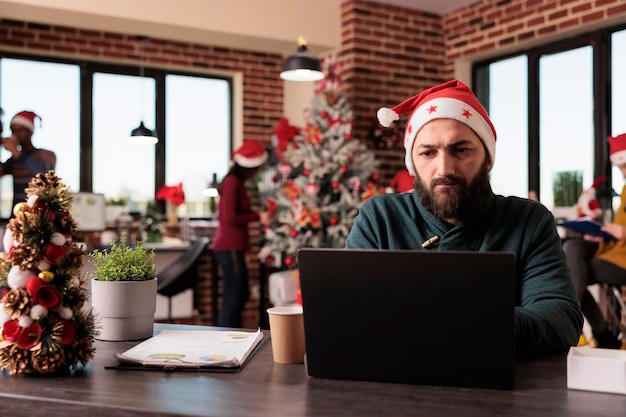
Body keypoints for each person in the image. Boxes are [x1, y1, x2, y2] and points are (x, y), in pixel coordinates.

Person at [345, 79, 583, 355]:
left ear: (488, 158)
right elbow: (350, 312)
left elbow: (561, 318)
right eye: (428, 152)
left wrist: (468, 323)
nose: (444, 168)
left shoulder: (529, 220)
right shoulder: (380, 218)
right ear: (412, 161)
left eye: (461, 150)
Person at [562, 133, 626, 349]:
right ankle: (600, 336)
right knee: (571, 247)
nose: (623, 172)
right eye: (621, 168)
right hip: (612, 249)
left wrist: (623, 232)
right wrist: (599, 235)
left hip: (622, 259)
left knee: (575, 272)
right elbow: (617, 234)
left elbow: (622, 233)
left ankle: (573, 329)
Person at [212, 140, 270, 327]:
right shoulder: (232, 183)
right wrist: (258, 216)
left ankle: (230, 336)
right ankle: (226, 340)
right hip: (229, 247)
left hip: (232, 248)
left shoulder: (234, 182)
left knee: (239, 294)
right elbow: (230, 218)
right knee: (233, 297)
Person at [0, 110, 56, 210]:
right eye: (13, 131)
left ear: (30, 132)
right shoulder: (13, 160)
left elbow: (45, 175)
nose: (15, 135)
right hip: (18, 215)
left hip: (40, 215)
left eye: (20, 130)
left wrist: (16, 152)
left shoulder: (46, 155)